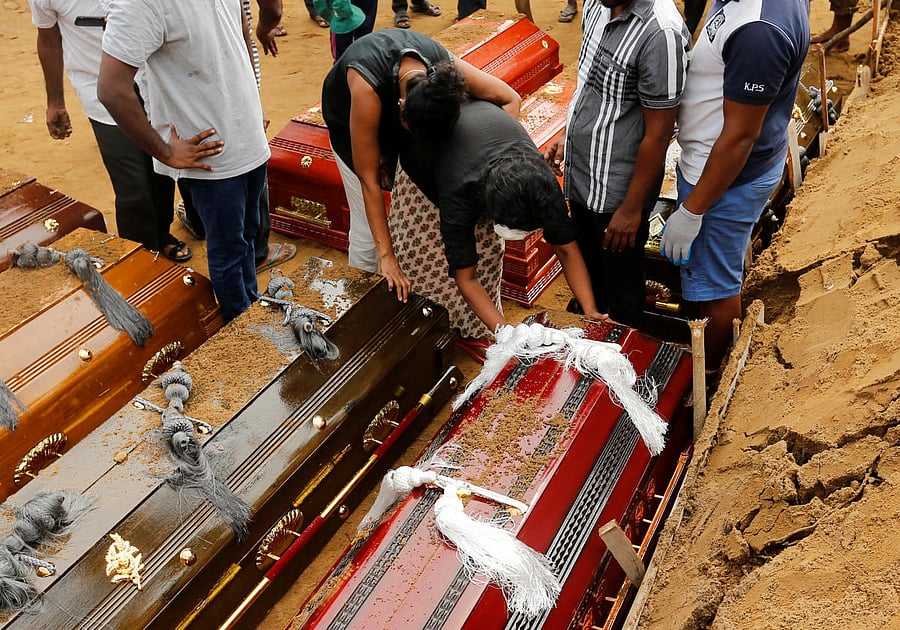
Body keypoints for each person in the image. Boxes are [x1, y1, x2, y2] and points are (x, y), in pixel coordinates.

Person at [98, 0, 272, 323]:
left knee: (249, 235)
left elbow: (241, 32)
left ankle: (251, 310)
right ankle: (242, 327)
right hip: (212, 160)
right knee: (230, 251)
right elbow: (111, 89)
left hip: (249, 141)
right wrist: (165, 152)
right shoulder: (143, 4)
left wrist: (254, 103)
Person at [659, 0, 809, 372]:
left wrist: (693, 210)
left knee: (714, 286)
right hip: (737, 168)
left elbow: (739, 137)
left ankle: (710, 371)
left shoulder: (759, 33)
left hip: (723, 182)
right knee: (719, 268)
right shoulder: (749, 10)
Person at [321, 28, 521, 301]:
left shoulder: (444, 71)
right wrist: (387, 257)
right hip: (350, 126)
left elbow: (510, 99)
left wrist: (487, 165)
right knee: (367, 232)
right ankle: (360, 300)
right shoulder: (367, 87)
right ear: (400, 107)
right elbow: (368, 179)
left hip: (415, 120)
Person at [391, 98, 603, 337]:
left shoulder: (542, 185)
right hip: (427, 163)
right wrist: (507, 336)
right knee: (434, 273)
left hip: (478, 146)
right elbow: (466, 278)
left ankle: (479, 333)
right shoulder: (458, 194)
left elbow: (566, 249)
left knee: (489, 259)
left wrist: (590, 310)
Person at [544, 0, 690, 329]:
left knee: (622, 291)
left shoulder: (660, 34)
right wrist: (568, 134)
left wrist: (631, 210)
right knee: (592, 269)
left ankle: (621, 346)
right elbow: (589, 83)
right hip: (582, 176)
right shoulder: (597, 5)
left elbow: (658, 133)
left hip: (618, 193)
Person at [28, 0, 190, 263]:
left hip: (154, 83)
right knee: (132, 186)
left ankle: (160, 234)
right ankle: (140, 258)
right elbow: (48, 39)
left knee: (161, 172)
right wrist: (55, 101)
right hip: (102, 95)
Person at [175, 0, 297, 276]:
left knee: (194, 151)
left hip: (184, 97)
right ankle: (259, 252)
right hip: (233, 80)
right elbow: (272, 9)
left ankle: (198, 221)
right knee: (249, 162)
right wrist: (264, 28)